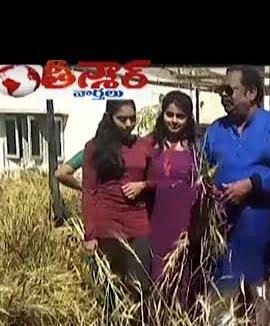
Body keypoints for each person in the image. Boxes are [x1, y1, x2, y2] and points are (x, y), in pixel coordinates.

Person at [203, 65, 270, 326]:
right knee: (222, 286)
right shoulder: (216, 131)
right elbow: (201, 170)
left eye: (229, 89)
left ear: (252, 92)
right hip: (223, 231)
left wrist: (251, 184)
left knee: (261, 292)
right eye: (222, 90)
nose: (223, 96)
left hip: (262, 227)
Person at [82, 99, 154, 300]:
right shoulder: (94, 148)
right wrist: (90, 235)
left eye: (133, 118)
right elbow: (89, 191)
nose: (129, 124)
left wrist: (143, 185)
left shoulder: (144, 146)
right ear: (110, 118)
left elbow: (157, 179)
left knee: (141, 284)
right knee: (112, 288)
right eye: (122, 119)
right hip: (108, 225)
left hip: (138, 222)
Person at [146, 91, 203, 306]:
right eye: (169, 114)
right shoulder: (150, 146)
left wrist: (194, 229)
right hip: (154, 225)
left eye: (180, 116)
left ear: (188, 119)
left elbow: (200, 191)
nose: (174, 120)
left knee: (181, 280)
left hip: (182, 227)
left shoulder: (195, 151)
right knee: (156, 279)